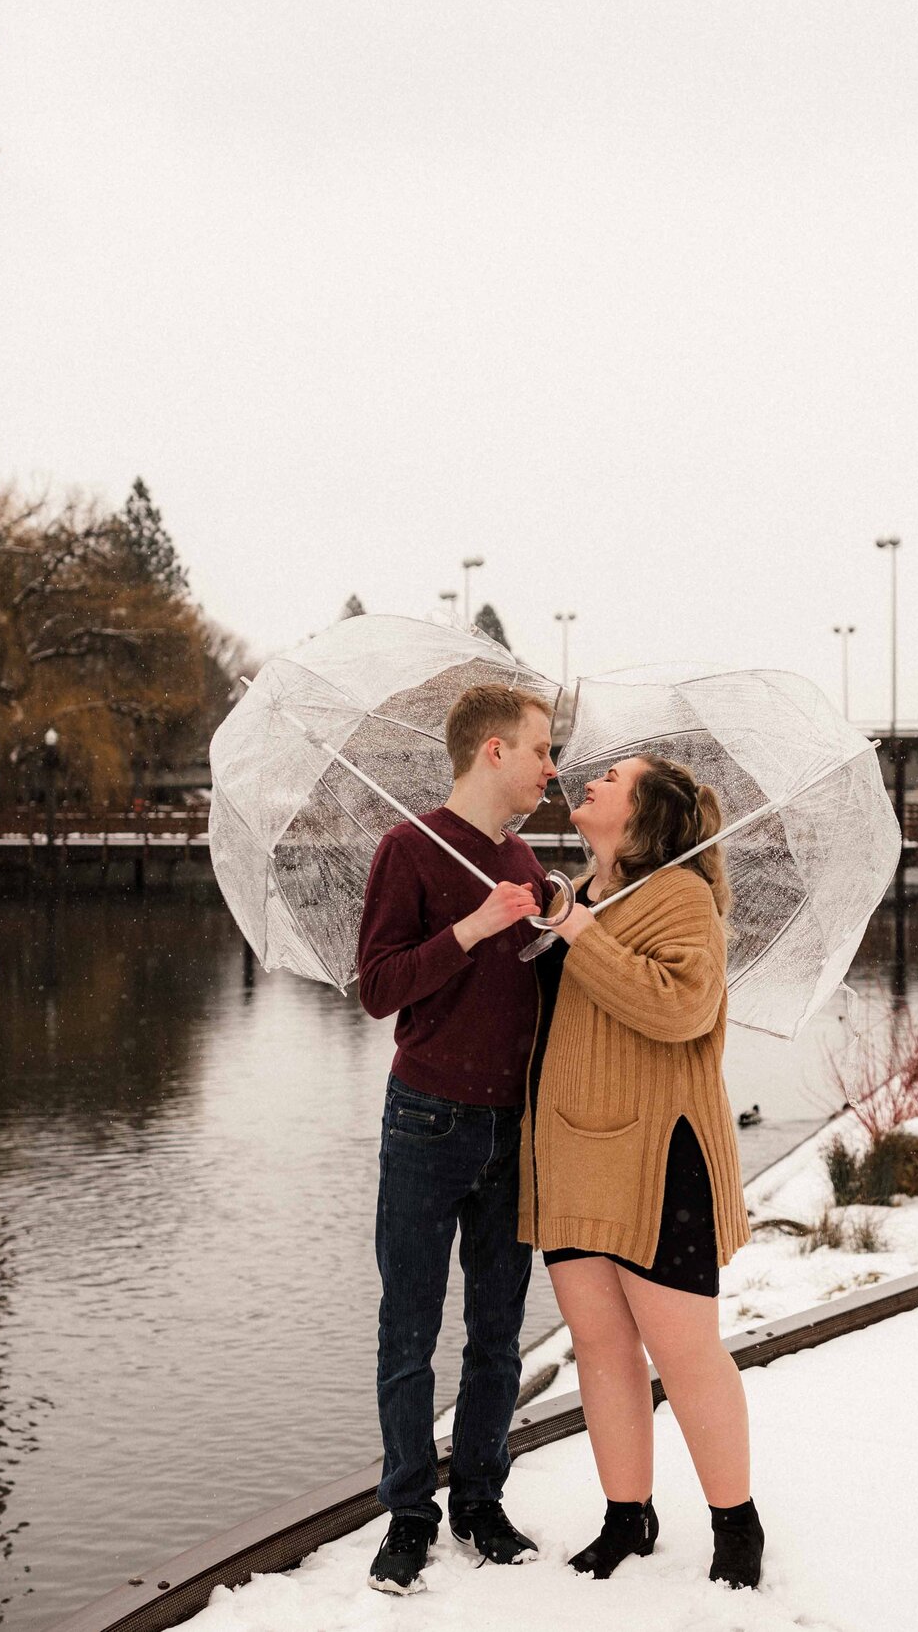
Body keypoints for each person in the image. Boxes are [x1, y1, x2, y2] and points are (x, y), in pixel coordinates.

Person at [524, 753, 763, 1590]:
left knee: (685, 1349)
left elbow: (679, 1006)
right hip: (572, 1148)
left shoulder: (680, 896)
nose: (588, 781)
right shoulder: (576, 894)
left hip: (660, 1155)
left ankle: (736, 1522)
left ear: (647, 814)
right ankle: (628, 1512)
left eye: (613, 779)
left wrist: (579, 935)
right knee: (599, 1346)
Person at [353, 682, 558, 1594]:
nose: (554, 768)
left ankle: (480, 1498)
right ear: (493, 752)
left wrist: (553, 928)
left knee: (499, 1331)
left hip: (510, 1124)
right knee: (409, 1328)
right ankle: (408, 1515)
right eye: (542, 750)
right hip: (427, 1117)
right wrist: (475, 927)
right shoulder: (408, 849)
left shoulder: (524, 859)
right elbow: (378, 986)